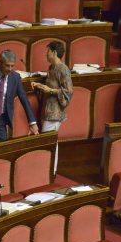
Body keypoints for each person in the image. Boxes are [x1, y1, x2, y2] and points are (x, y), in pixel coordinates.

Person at [31, 41, 73, 172]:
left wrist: (50, 90)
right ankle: (50, 171)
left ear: (54, 52)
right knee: (50, 142)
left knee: (48, 142)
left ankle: (49, 171)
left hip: (55, 112)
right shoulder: (51, 68)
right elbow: (50, 86)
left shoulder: (63, 69)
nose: (46, 54)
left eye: (48, 51)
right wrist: (39, 85)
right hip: (47, 109)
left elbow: (69, 91)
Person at [0, 50, 39, 140]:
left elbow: (24, 99)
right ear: (0, 63)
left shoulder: (15, 77)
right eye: (7, 65)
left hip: (0, 118)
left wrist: (32, 122)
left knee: (3, 144)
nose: (10, 69)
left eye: (12, 66)